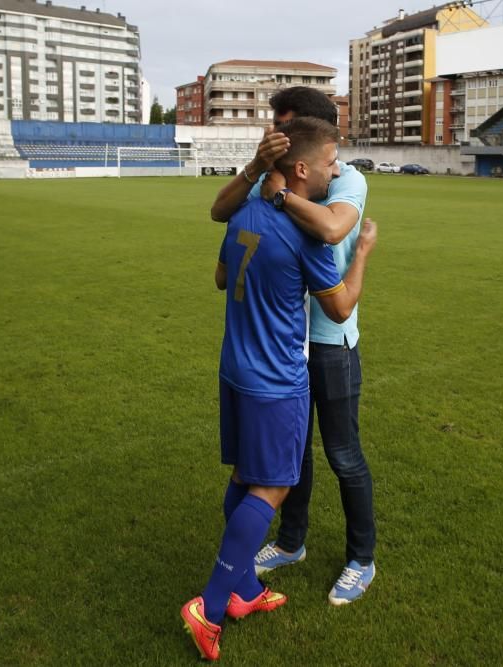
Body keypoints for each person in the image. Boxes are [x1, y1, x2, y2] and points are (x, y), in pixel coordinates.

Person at [182, 117, 378, 661]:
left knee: (247, 475)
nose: (336, 170)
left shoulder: (244, 207)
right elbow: (338, 307)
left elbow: (222, 277)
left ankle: (245, 588)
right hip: (277, 380)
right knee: (272, 487)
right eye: (330, 162)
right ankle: (213, 603)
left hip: (235, 370)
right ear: (300, 169)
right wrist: (362, 253)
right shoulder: (307, 234)